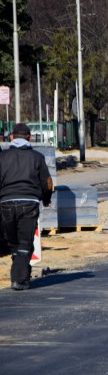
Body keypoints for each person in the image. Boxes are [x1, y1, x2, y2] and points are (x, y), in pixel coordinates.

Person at [0, 123, 53, 290]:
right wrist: (46, 199)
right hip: (29, 203)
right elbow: (47, 183)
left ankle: (22, 274)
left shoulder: (2, 157)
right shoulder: (37, 157)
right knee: (24, 242)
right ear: (30, 138)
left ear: (11, 138)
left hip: (6, 203)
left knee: (13, 242)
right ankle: (18, 278)